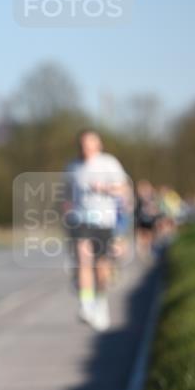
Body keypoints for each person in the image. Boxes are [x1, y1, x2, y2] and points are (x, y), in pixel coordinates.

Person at [63, 129, 128, 332]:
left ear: (98, 145)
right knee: (84, 258)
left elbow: (124, 190)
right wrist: (66, 213)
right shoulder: (72, 166)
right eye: (83, 144)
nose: (86, 148)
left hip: (104, 220)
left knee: (101, 268)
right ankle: (86, 304)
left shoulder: (109, 163)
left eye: (90, 143)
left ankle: (100, 303)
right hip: (80, 220)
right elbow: (67, 194)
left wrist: (105, 188)